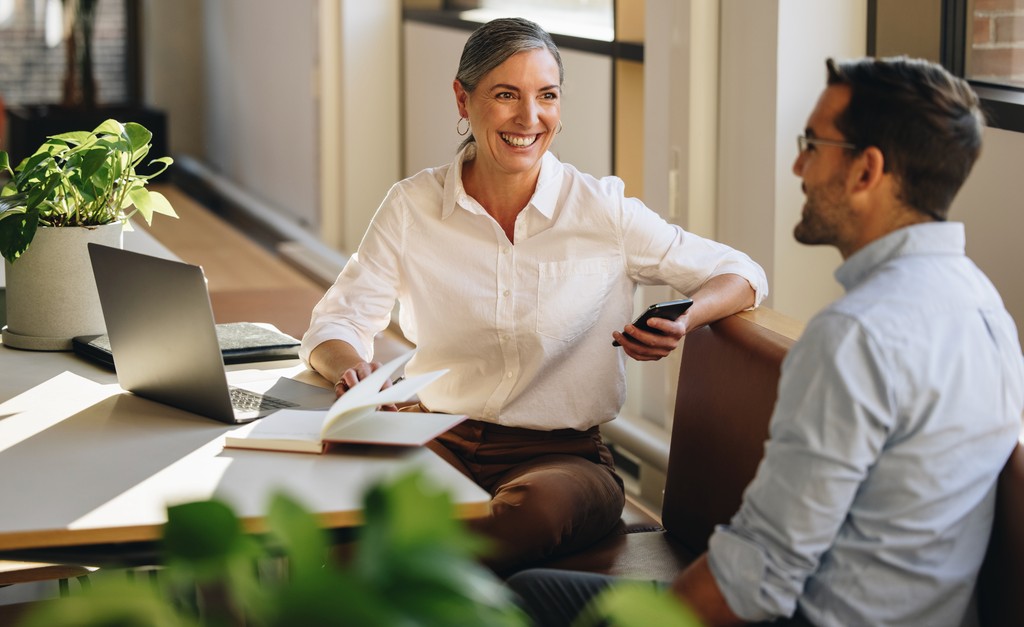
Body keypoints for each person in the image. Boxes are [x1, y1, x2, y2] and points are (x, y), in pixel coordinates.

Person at [507, 56, 1024, 625]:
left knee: (527, 595)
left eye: (813, 143)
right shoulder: (985, 307)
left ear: (865, 172)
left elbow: (753, 581)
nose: (799, 165)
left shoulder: (856, 337)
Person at [300, 17, 767, 575]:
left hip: (562, 461)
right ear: (462, 98)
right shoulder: (411, 207)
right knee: (330, 482)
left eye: (546, 96)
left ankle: (399, 579)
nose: (529, 118)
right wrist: (351, 368)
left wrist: (686, 319)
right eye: (505, 95)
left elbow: (741, 273)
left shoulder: (603, 212)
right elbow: (337, 321)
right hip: (434, 434)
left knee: (534, 513)